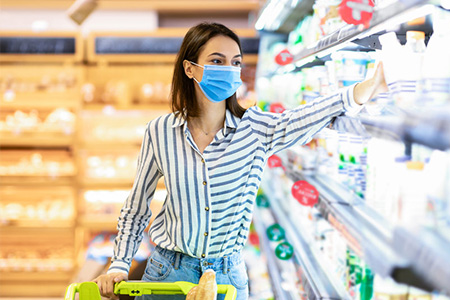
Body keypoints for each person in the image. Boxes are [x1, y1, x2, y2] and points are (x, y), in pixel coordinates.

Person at [93, 22, 387, 300]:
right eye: (217, 61)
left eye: (235, 63)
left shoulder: (256, 129)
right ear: (190, 68)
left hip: (226, 278)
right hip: (167, 271)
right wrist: (119, 264)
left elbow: (306, 116)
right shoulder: (160, 131)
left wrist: (366, 88)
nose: (230, 71)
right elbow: (137, 206)